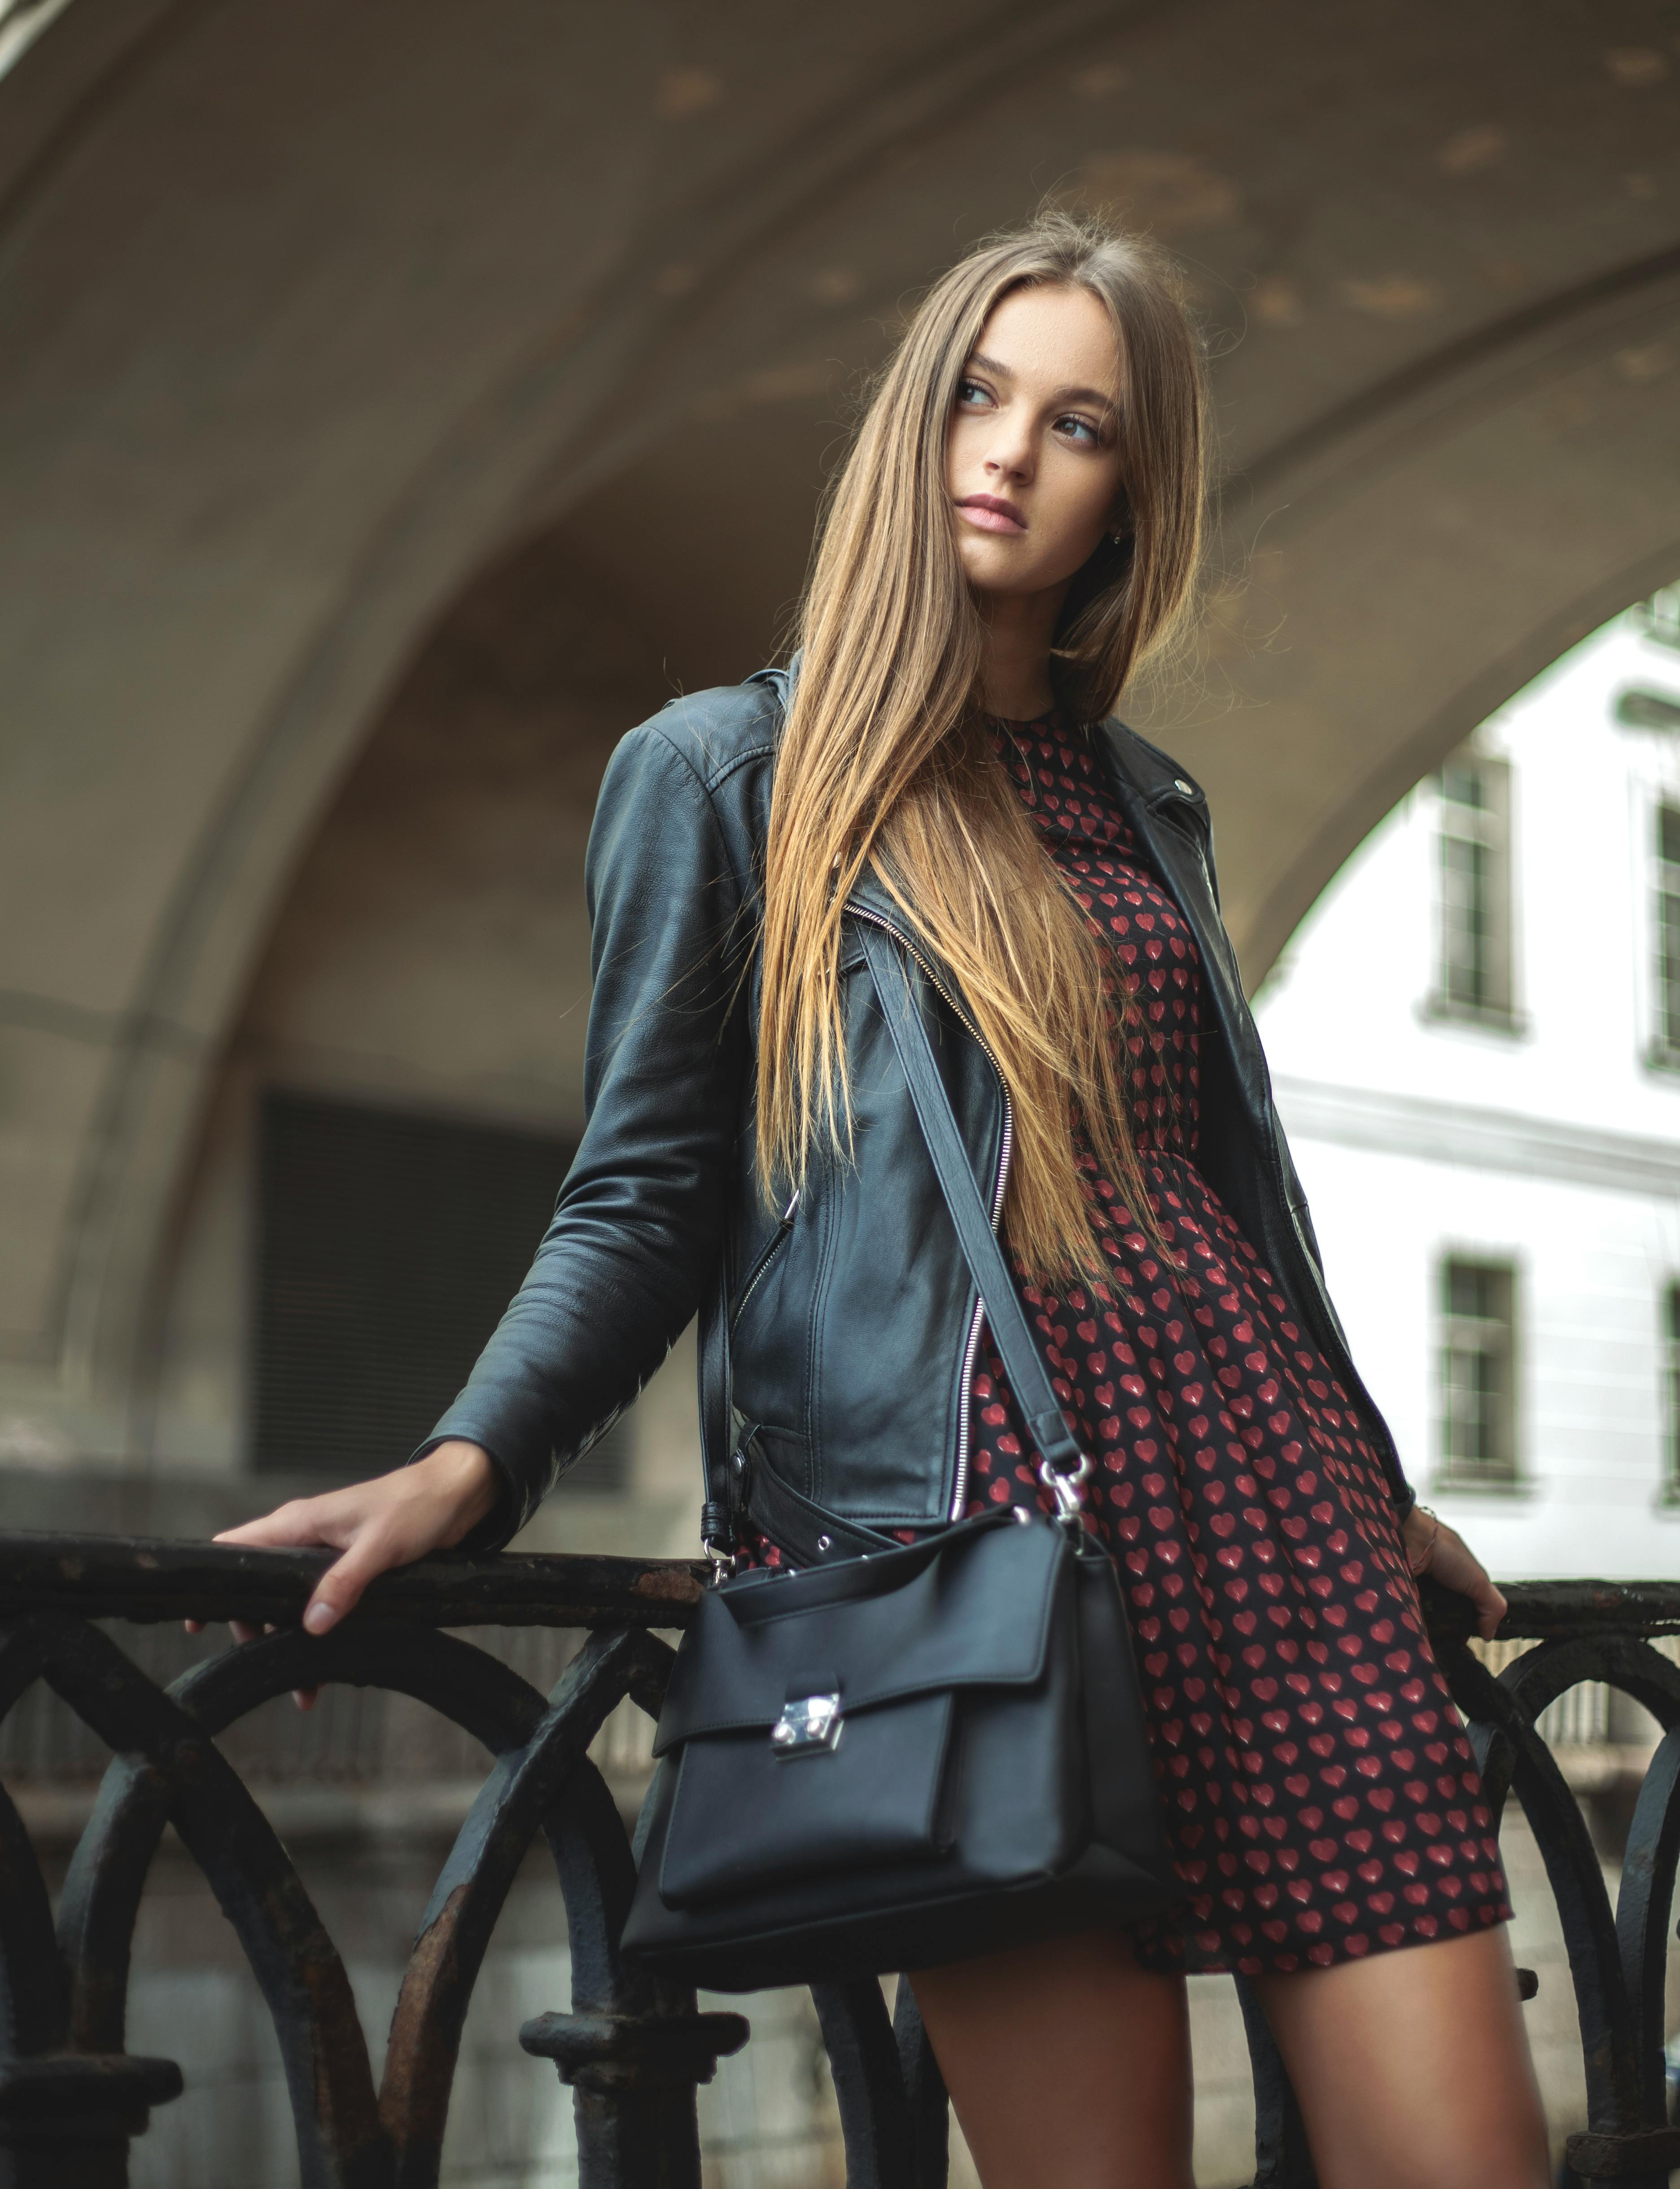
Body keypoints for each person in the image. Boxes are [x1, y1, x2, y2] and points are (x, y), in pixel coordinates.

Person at [211, 212, 1549, 2189]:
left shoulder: (1144, 797)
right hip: (978, 1558)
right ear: (910, 430)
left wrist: (1367, 1477)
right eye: (975, 396)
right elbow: (649, 1190)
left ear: (1127, 496)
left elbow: (1226, 1187)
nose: (1008, 450)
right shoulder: (728, 776)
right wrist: (473, 1457)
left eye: (1077, 420)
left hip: (1277, 1530)